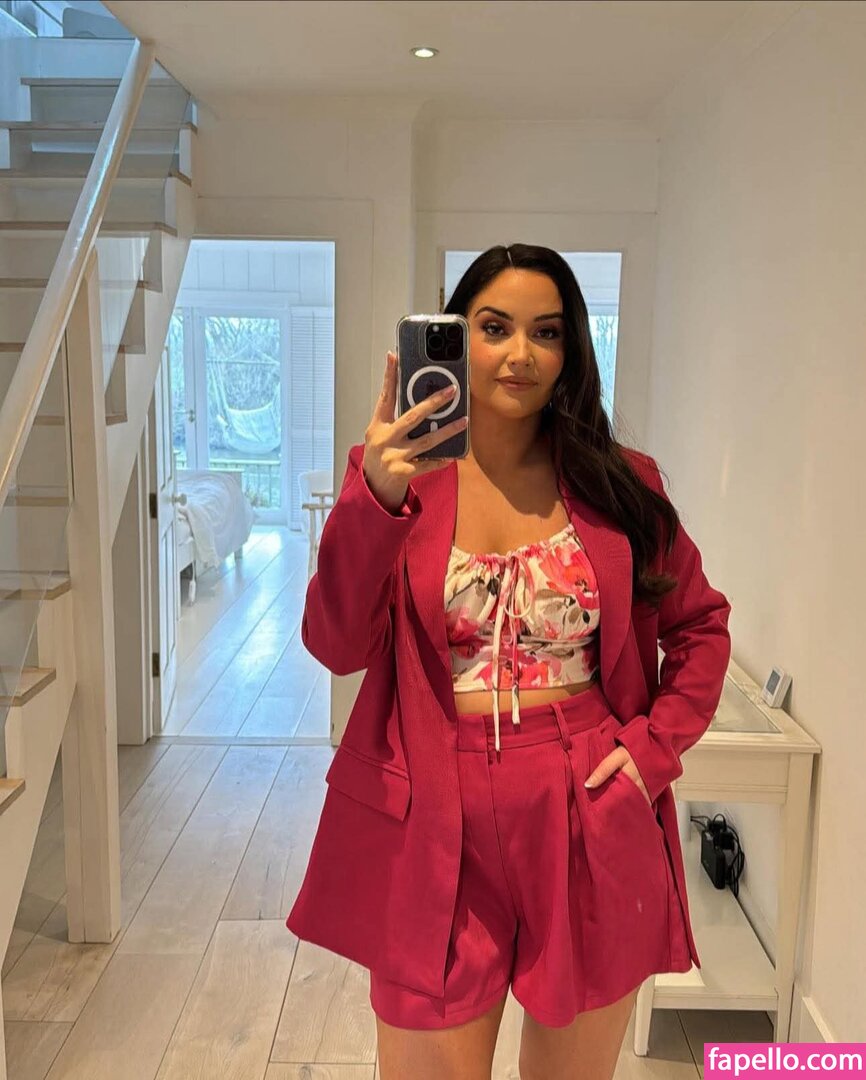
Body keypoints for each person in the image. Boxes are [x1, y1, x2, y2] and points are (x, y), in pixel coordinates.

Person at [286, 243, 732, 1080]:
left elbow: (701, 627)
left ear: (570, 350)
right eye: (494, 327)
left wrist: (651, 751)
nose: (520, 353)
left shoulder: (621, 483)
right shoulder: (397, 479)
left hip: (587, 796)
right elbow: (336, 645)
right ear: (457, 336)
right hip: (431, 805)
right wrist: (374, 497)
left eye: (546, 331)